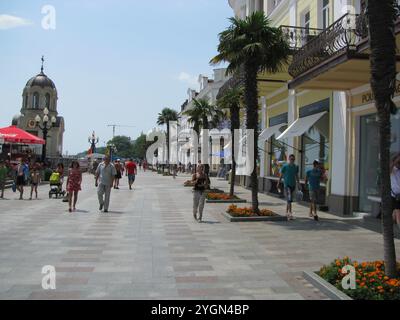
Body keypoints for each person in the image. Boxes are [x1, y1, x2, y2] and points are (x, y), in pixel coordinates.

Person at [278, 154, 300, 221]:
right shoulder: (285, 166)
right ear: (289, 159)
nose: (292, 160)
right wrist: (278, 182)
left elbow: (296, 175)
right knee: (289, 198)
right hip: (286, 184)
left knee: (289, 200)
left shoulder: (296, 167)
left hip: (293, 185)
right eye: (291, 159)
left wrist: (298, 183)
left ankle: (286, 212)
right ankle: (290, 214)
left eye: (293, 159)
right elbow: (281, 175)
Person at [391, 154, 400, 230]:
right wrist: (395, 161)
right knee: (398, 213)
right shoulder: (392, 170)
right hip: (396, 195)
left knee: (395, 213)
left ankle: (390, 225)